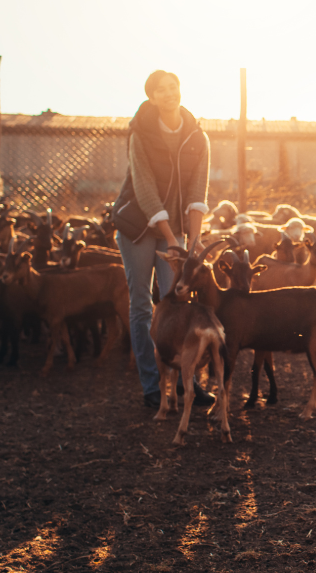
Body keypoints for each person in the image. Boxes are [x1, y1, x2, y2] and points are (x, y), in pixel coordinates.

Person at [112, 70, 213, 408]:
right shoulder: (139, 133)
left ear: (180, 91)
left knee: (178, 303)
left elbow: (198, 192)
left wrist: (193, 240)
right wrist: (172, 237)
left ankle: (188, 382)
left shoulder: (198, 137)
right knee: (142, 303)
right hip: (139, 226)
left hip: (176, 231)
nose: (169, 94)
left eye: (174, 88)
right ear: (152, 97)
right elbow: (144, 188)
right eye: (161, 90)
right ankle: (151, 385)